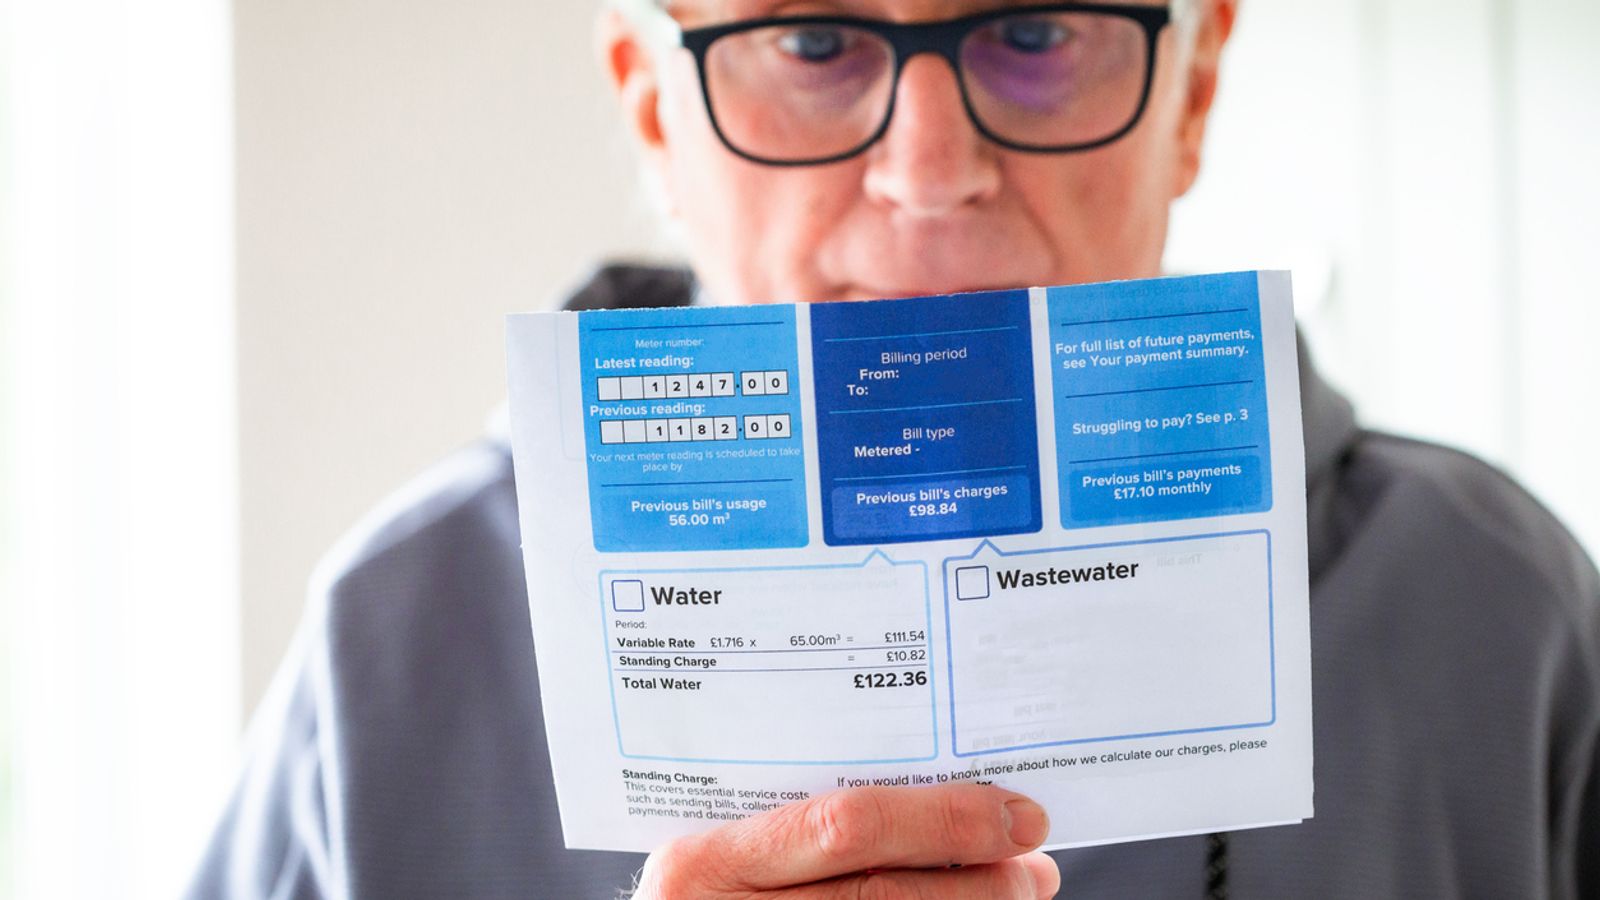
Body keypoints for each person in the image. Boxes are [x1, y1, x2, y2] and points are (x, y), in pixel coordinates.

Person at [186, 0, 1600, 897]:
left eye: (1035, 33)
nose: (931, 170)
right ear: (654, 112)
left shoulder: (1496, 612)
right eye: (813, 45)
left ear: (1195, 87)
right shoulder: (396, 642)